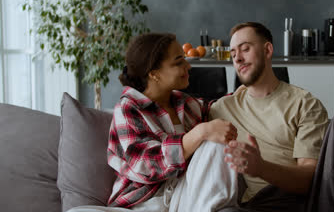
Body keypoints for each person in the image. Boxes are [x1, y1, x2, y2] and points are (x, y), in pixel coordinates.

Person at [209, 22, 334, 212]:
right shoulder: (222, 108)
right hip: (264, 203)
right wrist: (201, 130)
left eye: (245, 49)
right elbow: (181, 111)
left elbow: (308, 179)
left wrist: (261, 167)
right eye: (233, 54)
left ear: (267, 50)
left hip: (313, 200)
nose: (238, 59)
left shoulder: (304, 103)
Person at [68, 33, 240, 212]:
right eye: (179, 61)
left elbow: (219, 107)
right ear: (154, 74)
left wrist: (247, 92)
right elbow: (148, 164)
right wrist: (199, 133)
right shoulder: (128, 108)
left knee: (216, 143)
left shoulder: (185, 103)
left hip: (182, 199)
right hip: (142, 204)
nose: (188, 66)